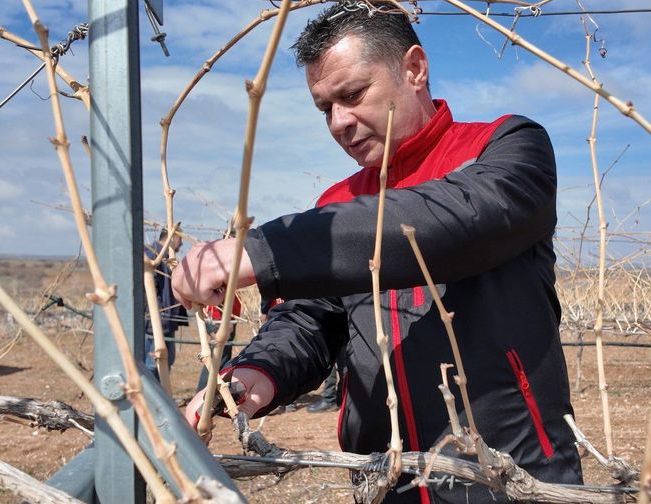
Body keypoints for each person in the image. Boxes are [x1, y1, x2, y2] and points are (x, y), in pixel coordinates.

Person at [173, 3, 582, 502]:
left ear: (413, 68)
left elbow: (456, 220)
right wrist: (257, 373)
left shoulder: (505, 149)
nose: (339, 123)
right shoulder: (334, 207)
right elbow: (311, 320)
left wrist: (263, 250)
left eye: (352, 95)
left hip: (514, 478)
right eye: (324, 107)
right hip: (385, 480)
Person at [144, 228, 188, 381]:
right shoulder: (151, 256)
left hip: (166, 322)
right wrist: (160, 315)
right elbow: (149, 290)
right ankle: (150, 402)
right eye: (179, 239)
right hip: (155, 323)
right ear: (172, 237)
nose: (181, 244)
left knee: (167, 361)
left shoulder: (167, 258)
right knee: (152, 365)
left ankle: (160, 397)